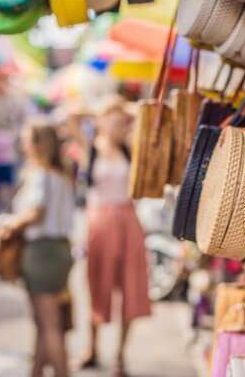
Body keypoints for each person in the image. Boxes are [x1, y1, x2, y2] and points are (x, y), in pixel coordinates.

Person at [0, 120, 75, 377]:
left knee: (49, 325)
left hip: (43, 252)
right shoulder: (59, 174)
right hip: (57, 251)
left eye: (27, 139)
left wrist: (10, 224)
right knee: (46, 324)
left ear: (38, 144)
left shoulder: (41, 175)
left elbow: (36, 212)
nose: (23, 144)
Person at [81, 97, 151, 377]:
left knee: (130, 288)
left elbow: (144, 119)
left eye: (117, 118)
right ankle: (92, 348)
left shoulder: (129, 146)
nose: (115, 122)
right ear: (100, 119)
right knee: (97, 285)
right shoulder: (91, 148)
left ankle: (120, 356)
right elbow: (71, 116)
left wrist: (126, 114)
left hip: (127, 221)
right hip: (99, 222)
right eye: (110, 117)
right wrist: (98, 112)